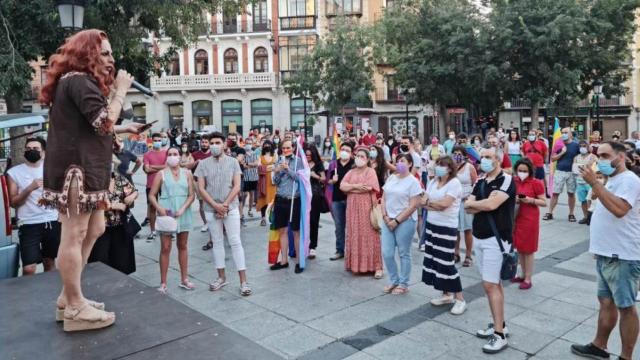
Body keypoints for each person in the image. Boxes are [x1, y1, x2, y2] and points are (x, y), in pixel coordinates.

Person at [39, 29, 146, 331]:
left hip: (91, 170)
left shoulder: (79, 82)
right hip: (78, 171)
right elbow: (103, 122)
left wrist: (127, 130)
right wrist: (121, 90)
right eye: (106, 53)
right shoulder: (78, 80)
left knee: (96, 228)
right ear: (87, 53)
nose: (112, 59)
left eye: (111, 53)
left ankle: (68, 296)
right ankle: (74, 306)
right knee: (74, 233)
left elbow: (92, 126)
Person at [571, 142, 640, 360]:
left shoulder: (629, 180)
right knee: (606, 302)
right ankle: (599, 345)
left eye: (605, 155)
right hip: (606, 253)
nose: (599, 159)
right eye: (598, 155)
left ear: (620, 157)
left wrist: (595, 185)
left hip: (622, 255)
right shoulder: (613, 180)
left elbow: (620, 210)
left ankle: (626, 356)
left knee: (626, 307)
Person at [464, 146, 516, 353]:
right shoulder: (481, 180)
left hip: (497, 238)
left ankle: (499, 335)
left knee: (490, 285)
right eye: (482, 157)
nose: (484, 160)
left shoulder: (506, 180)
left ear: (498, 160)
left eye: (488, 157)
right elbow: (468, 205)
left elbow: (492, 205)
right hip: (479, 236)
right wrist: (479, 203)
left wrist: (480, 203)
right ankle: (499, 324)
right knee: (493, 284)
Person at [195, 132, 252, 295]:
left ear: (224, 144)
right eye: (211, 142)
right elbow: (201, 188)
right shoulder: (203, 164)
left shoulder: (233, 162)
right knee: (217, 242)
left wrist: (224, 205)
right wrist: (215, 206)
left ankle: (244, 281)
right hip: (211, 209)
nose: (214, 145)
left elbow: (236, 186)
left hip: (231, 207)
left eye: (217, 142)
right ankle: (221, 277)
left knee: (235, 242)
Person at [7, 137, 60, 276]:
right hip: (28, 223)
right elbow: (13, 202)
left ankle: (46, 294)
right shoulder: (14, 173)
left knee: (49, 262)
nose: (31, 151)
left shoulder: (52, 170)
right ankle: (26, 296)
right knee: (29, 268)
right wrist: (30, 188)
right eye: (28, 149)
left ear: (44, 152)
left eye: (35, 149)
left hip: (51, 221)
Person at [422, 155, 467, 315]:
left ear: (450, 168)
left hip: (446, 227)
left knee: (446, 262)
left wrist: (430, 204)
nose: (439, 167)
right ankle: (446, 294)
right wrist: (431, 205)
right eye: (438, 164)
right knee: (435, 261)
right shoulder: (433, 182)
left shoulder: (454, 183)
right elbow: (424, 201)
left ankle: (460, 298)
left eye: (443, 165)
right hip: (432, 225)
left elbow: (445, 204)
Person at [149, 147, 195, 293]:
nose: (173, 156)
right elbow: (152, 195)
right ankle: (163, 282)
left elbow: (191, 195)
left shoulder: (187, 173)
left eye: (175, 154)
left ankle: (184, 279)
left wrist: (183, 208)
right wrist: (159, 208)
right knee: (165, 248)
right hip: (167, 213)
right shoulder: (161, 174)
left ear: (180, 156)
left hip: (183, 212)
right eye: (170, 154)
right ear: (166, 157)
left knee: (183, 245)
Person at [381, 153, 422, 294]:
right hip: (388, 220)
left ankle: (403, 283)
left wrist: (397, 220)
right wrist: (385, 216)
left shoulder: (413, 182)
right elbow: (384, 198)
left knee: (404, 252)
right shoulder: (392, 177)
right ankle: (394, 280)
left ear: (410, 164)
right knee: (387, 252)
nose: (399, 163)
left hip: (405, 221)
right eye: (397, 161)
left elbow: (413, 205)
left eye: (403, 161)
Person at [88, 160, 138, 275]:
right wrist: (114, 206)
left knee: (122, 261)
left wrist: (132, 196)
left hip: (121, 226)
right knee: (100, 260)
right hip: (101, 227)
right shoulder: (93, 182)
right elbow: (90, 203)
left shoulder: (118, 178)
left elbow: (134, 191)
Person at [340, 146, 383, 278]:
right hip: (352, 207)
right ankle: (356, 265)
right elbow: (342, 186)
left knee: (369, 235)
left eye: (362, 156)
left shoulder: (370, 171)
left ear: (368, 159)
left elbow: (369, 187)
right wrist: (356, 186)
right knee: (354, 233)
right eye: (357, 156)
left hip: (366, 206)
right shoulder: (351, 172)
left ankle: (377, 267)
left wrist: (351, 189)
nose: (359, 159)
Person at [270, 139, 305, 274]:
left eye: (288, 148)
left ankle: (298, 261)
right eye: (283, 148)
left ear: (293, 147)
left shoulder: (298, 161)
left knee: (296, 232)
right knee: (282, 231)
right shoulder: (278, 160)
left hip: (294, 199)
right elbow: (275, 182)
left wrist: (288, 169)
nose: (286, 150)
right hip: (280, 199)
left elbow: (300, 179)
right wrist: (278, 171)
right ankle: (284, 260)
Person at [511, 158, 546, 289]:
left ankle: (528, 278)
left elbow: (543, 202)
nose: (522, 173)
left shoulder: (536, 183)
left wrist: (530, 200)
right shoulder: (513, 181)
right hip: (516, 217)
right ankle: (522, 274)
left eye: (525, 171)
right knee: (519, 247)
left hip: (530, 218)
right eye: (520, 170)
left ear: (530, 171)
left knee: (529, 249)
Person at [544, 127, 580, 221]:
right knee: (555, 193)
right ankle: (550, 212)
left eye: (566, 132)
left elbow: (580, 157)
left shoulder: (576, 145)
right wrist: (562, 153)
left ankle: (571, 214)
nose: (563, 134)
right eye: (562, 132)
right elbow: (552, 159)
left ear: (571, 134)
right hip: (560, 171)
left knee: (571, 193)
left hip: (571, 172)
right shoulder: (558, 144)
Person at [328, 142, 355, 261]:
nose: (344, 151)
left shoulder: (354, 165)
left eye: (347, 150)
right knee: (339, 226)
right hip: (336, 199)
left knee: (352, 226)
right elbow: (327, 181)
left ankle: (352, 251)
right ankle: (339, 250)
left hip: (351, 199)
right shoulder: (333, 164)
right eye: (342, 149)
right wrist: (332, 181)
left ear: (352, 152)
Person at [452, 146, 477, 267]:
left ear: (464, 155)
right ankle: (456, 253)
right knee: (455, 229)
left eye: (459, 153)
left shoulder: (469, 167)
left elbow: (475, 183)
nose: (457, 155)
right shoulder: (450, 167)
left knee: (468, 229)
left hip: (466, 202)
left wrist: (471, 196)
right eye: (455, 153)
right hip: (454, 202)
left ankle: (468, 255)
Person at [143, 132, 168, 241]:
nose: (158, 142)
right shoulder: (147, 154)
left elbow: (167, 167)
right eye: (155, 140)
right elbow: (147, 169)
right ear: (151, 141)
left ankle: (167, 230)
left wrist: (152, 167)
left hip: (165, 184)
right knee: (152, 208)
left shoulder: (166, 153)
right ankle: (153, 231)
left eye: (159, 140)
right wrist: (161, 168)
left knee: (166, 208)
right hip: (151, 184)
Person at [189, 135, 212, 240]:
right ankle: (205, 223)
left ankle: (214, 222)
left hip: (212, 182)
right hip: (198, 181)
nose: (204, 144)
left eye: (206, 142)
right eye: (202, 142)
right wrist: (196, 162)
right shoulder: (194, 154)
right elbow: (189, 166)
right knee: (202, 203)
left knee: (213, 202)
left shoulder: (213, 154)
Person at [306, 144, 326, 259]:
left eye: (310, 155)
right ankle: (304, 244)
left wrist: (315, 175)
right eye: (306, 155)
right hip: (303, 195)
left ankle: (313, 246)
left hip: (315, 195)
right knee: (304, 221)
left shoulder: (318, 164)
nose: (308, 157)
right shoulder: (302, 163)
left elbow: (324, 179)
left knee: (314, 221)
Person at [573, 141, 598, 224]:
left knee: (590, 200)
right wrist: (585, 167)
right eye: (580, 146)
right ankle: (585, 217)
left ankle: (592, 218)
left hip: (589, 182)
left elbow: (594, 168)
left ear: (588, 147)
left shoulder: (593, 156)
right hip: (579, 182)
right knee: (583, 200)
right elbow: (574, 169)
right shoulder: (576, 157)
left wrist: (583, 167)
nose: (582, 147)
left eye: (584, 146)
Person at [257, 140, 277, 226]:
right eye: (265, 144)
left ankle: (273, 218)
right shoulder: (260, 156)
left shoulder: (275, 155)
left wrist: (265, 167)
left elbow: (276, 166)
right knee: (263, 199)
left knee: (274, 199)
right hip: (263, 181)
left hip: (273, 180)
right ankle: (263, 218)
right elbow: (259, 167)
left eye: (269, 144)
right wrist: (270, 167)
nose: (267, 146)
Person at [241, 137, 259, 220]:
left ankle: (250, 210)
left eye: (250, 143)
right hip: (245, 177)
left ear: (252, 144)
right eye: (247, 143)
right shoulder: (242, 153)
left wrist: (248, 164)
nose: (248, 145)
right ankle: (241, 211)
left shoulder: (255, 153)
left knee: (251, 194)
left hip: (253, 176)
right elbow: (242, 165)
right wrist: (248, 165)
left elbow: (256, 164)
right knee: (244, 195)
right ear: (244, 143)